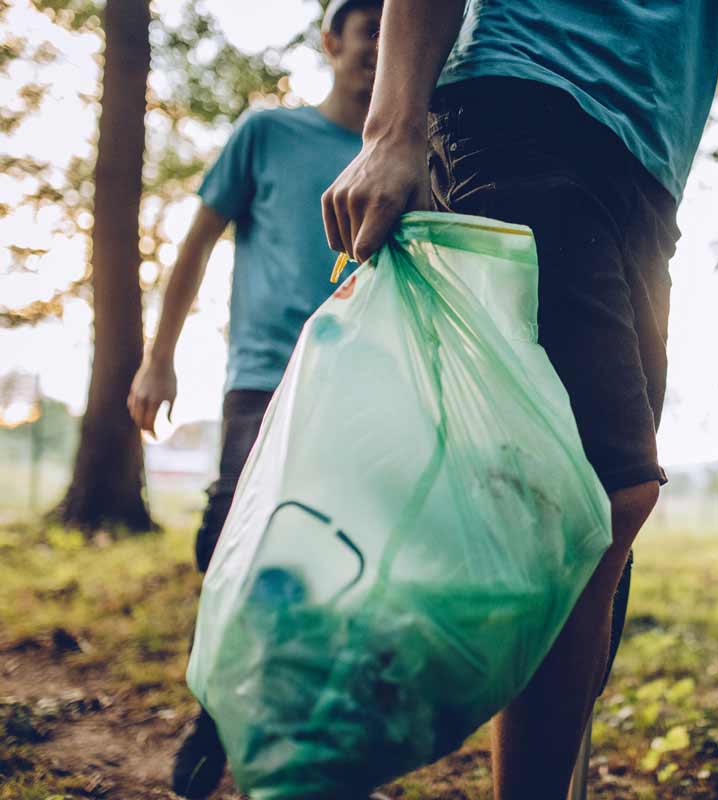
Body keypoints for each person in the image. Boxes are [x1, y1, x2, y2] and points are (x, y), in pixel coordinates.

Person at [322, 1, 718, 797]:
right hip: (520, 106)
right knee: (601, 495)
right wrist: (391, 129)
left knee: (590, 525)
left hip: (647, 183)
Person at [126, 1, 383, 796]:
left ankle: (304, 726)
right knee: (229, 533)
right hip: (264, 375)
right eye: (367, 33)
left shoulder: (409, 152)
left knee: (340, 551)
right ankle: (217, 707)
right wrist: (157, 358)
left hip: (361, 383)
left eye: (393, 35)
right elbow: (197, 241)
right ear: (332, 42)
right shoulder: (268, 135)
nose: (379, 49)